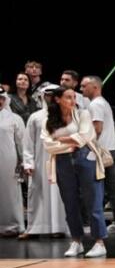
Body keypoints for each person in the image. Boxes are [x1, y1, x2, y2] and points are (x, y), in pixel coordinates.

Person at [42, 86, 108, 257]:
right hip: (62, 161)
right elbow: (48, 145)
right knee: (70, 203)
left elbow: (84, 137)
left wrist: (61, 139)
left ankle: (99, 242)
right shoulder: (48, 119)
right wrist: (69, 144)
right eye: (68, 97)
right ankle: (76, 241)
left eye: (74, 97)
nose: (73, 100)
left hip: (85, 158)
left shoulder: (83, 114)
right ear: (58, 99)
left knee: (93, 202)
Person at [79, 75, 115, 233]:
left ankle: (87, 224)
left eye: (84, 86)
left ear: (95, 87)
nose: (81, 89)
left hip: (102, 152)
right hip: (111, 150)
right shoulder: (103, 103)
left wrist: (86, 145)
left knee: (89, 188)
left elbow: (97, 129)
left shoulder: (96, 104)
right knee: (112, 190)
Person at [21, 86, 68, 237]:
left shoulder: (67, 115)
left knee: (60, 194)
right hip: (40, 163)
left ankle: (59, 228)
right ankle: (36, 228)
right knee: (37, 194)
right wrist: (28, 163)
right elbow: (28, 142)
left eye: (53, 95)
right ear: (43, 97)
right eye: (48, 95)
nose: (51, 98)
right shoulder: (35, 117)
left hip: (62, 161)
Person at [0, 87, 24, 235]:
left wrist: (23, 161)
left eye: (1, 98)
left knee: (9, 192)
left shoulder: (15, 118)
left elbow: (21, 142)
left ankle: (12, 225)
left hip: (8, 160)